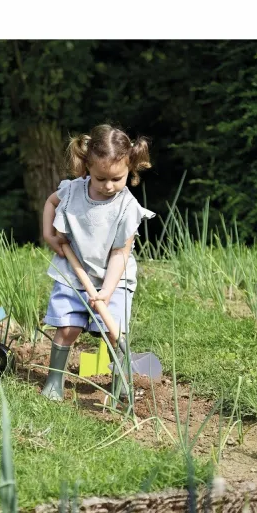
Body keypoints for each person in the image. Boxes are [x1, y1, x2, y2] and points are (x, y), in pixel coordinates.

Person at [41, 124, 155, 402]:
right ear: (87, 168)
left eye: (117, 178)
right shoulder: (73, 191)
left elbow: (120, 254)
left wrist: (106, 290)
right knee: (67, 329)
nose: (108, 186)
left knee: (114, 335)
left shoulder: (127, 208)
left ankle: (119, 386)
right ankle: (54, 381)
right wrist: (48, 233)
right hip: (73, 271)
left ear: (130, 169)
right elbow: (51, 202)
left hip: (114, 280)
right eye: (100, 178)